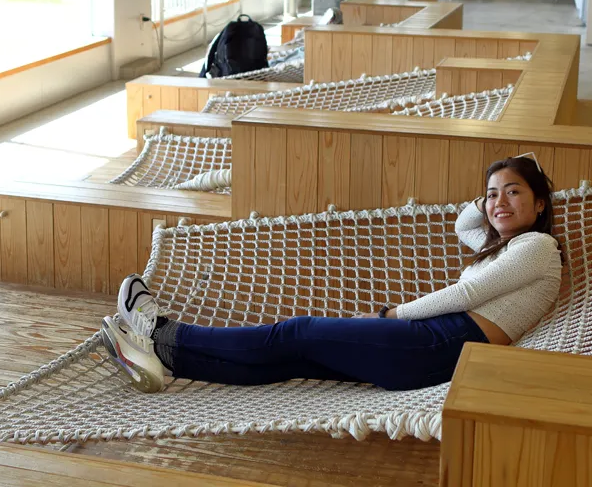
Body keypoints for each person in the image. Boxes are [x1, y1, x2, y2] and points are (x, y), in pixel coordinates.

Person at [99, 156, 561, 393]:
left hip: (442, 342)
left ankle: (159, 330)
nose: (497, 203)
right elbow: (466, 223)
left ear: (540, 203)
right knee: (295, 361)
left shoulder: (539, 247)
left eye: (514, 193)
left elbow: (468, 292)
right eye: (491, 194)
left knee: (295, 333)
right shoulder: (507, 245)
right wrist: (492, 195)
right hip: (440, 350)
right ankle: (168, 361)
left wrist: (392, 315)